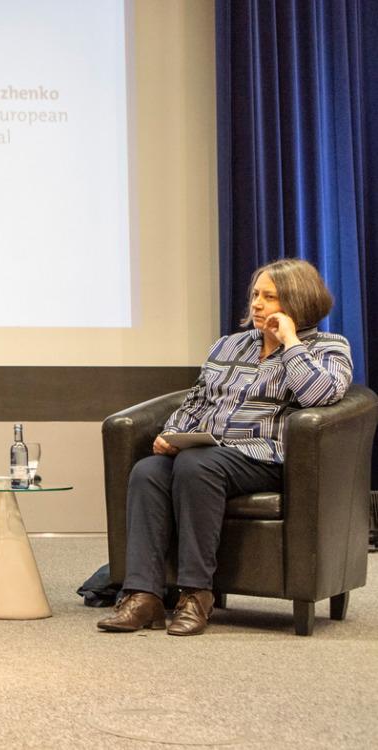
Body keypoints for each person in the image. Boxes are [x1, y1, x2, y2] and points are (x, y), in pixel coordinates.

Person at [98, 258, 352, 636]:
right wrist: (172, 434)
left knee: (198, 465)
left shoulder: (329, 347)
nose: (256, 304)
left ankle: (196, 595)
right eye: (255, 295)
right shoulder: (228, 346)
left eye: (269, 297)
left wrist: (291, 343)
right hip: (207, 451)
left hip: (264, 455)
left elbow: (321, 395)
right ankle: (143, 595)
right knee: (148, 471)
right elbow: (198, 400)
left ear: (297, 302)